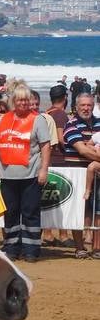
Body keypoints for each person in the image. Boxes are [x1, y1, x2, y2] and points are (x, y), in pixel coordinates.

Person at [0, 85, 52, 262]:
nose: (23, 103)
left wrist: (43, 170)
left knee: (30, 212)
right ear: (13, 102)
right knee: (11, 213)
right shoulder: (3, 119)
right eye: (19, 99)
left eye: (26, 99)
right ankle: (12, 247)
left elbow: (45, 146)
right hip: (8, 175)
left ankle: (31, 250)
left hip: (31, 175)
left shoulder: (37, 120)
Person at [60, 92, 100, 257]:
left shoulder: (99, 123)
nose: (86, 108)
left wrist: (87, 146)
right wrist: (88, 148)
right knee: (77, 211)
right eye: (82, 105)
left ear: (93, 106)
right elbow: (82, 150)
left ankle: (97, 248)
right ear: (76, 107)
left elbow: (86, 147)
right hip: (76, 174)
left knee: (98, 212)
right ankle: (79, 247)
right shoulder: (71, 125)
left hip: (97, 173)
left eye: (89, 105)